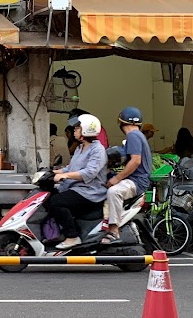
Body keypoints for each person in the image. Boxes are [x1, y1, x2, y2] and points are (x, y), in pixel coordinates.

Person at [45, 114, 107, 249]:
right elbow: (72, 167)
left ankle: (72, 237)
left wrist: (66, 176)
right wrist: (55, 172)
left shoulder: (97, 149)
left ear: (86, 131)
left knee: (56, 202)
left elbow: (90, 172)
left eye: (77, 128)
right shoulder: (80, 148)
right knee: (50, 196)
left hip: (90, 191)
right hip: (77, 188)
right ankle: (58, 232)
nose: (74, 130)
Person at [103, 106, 152, 244]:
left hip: (136, 182)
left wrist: (117, 178)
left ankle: (113, 231)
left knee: (114, 192)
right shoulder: (138, 136)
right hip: (136, 180)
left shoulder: (133, 136)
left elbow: (136, 161)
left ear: (122, 122)